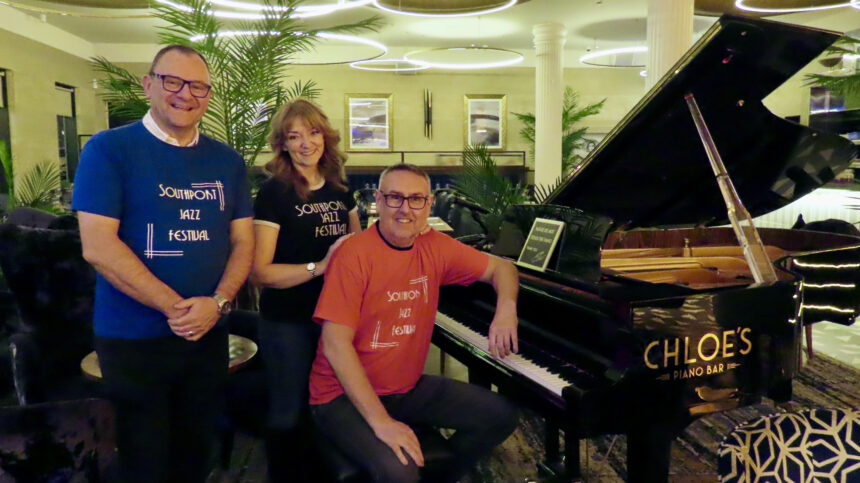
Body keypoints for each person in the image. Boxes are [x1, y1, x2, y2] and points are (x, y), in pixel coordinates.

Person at [72, 44, 254, 483]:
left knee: (196, 451)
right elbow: (98, 246)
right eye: (173, 81)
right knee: (144, 459)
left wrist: (218, 302)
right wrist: (177, 308)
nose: (185, 94)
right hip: (133, 338)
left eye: (198, 86)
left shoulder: (227, 161)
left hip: (208, 333)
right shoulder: (108, 149)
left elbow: (243, 242)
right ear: (148, 84)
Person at [308, 163, 520, 482]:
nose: (405, 209)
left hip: (405, 389)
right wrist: (381, 422)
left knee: (500, 416)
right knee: (401, 470)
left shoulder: (435, 246)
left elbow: (502, 268)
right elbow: (335, 345)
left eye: (416, 199)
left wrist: (506, 308)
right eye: (395, 198)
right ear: (377, 201)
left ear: (428, 205)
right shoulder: (354, 254)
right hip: (339, 396)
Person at [250, 99, 360, 481]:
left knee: (328, 404)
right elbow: (261, 272)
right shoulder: (274, 194)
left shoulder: (341, 191)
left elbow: (357, 250)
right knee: (287, 409)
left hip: (335, 319)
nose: (305, 143)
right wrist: (322, 267)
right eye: (294, 136)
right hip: (288, 321)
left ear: (325, 138)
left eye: (313, 133)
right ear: (282, 144)